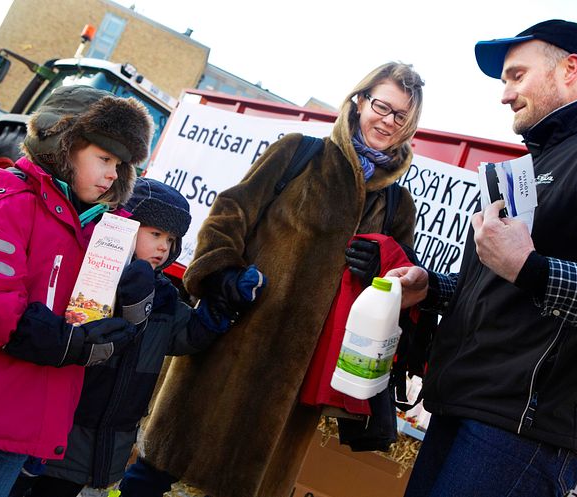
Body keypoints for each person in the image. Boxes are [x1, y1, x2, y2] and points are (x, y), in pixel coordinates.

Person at [387, 20, 577, 497]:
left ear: (570, 68)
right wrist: (434, 286)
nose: (504, 95)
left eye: (516, 75)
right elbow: (506, 285)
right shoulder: (530, 168)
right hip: (464, 409)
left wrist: (533, 268)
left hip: (519, 434)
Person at [119, 61, 425, 497]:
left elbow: (399, 285)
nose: (388, 121)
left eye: (401, 117)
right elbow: (230, 213)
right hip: (233, 342)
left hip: (298, 379)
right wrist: (223, 276)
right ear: (359, 102)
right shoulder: (300, 153)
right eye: (382, 106)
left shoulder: (397, 204)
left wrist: (383, 265)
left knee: (248, 485)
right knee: (155, 472)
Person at [0, 85, 153, 497]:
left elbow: (102, 324)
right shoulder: (5, 202)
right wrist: (61, 341)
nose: (113, 173)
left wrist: (132, 302)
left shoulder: (102, 232)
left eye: (121, 165)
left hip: (26, 422)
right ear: (63, 144)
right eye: (104, 158)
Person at [6, 177, 263, 497]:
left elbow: (184, 336)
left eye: (170, 240)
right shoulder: (89, 278)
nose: (163, 247)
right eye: (155, 234)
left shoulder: (164, 296)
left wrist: (223, 303)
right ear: (121, 226)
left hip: (109, 435)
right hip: (62, 427)